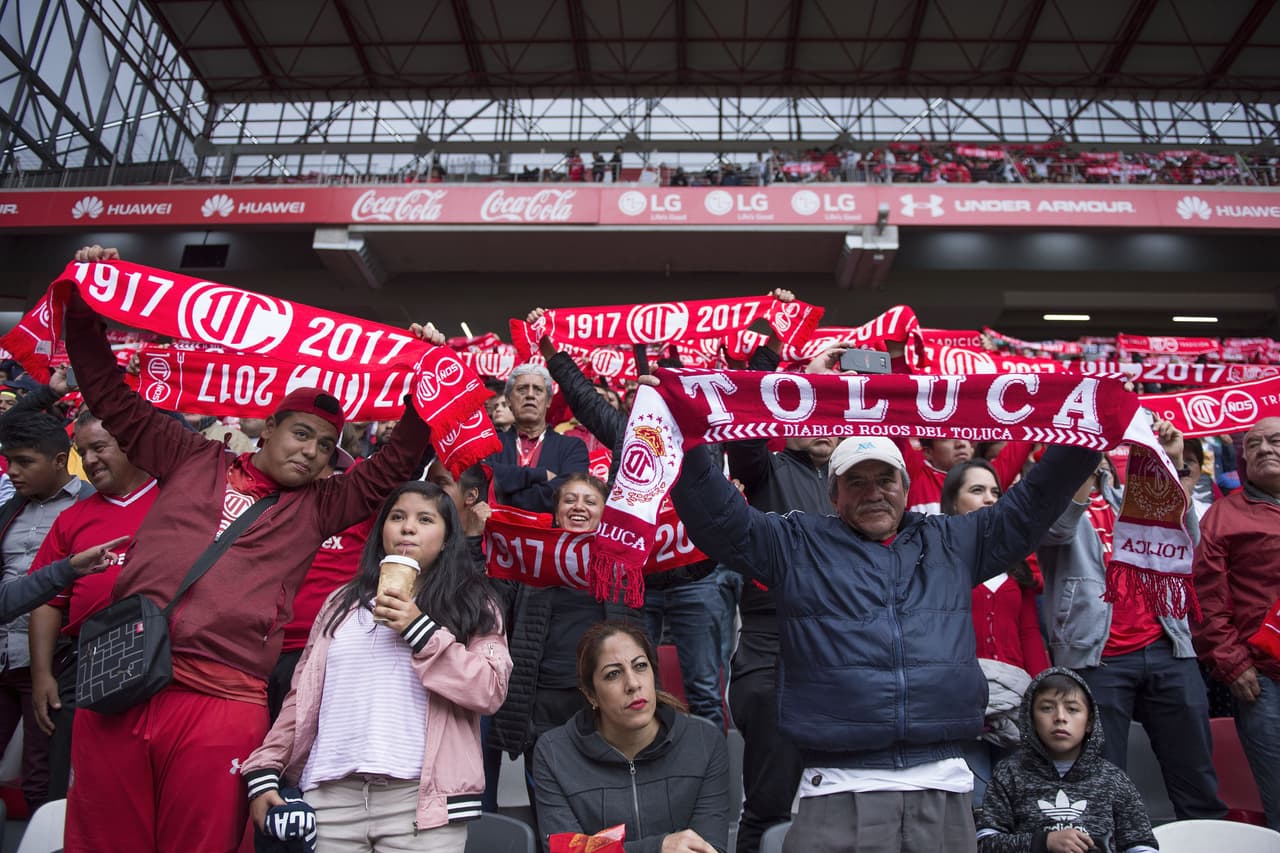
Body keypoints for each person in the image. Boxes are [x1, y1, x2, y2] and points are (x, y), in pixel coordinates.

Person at [61, 244, 442, 852]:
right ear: (268, 427)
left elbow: (392, 465)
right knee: (107, 840)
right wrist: (86, 311)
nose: (311, 452)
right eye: (301, 434)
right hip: (124, 671)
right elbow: (111, 397)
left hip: (224, 693)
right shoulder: (190, 456)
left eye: (326, 446)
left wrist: (427, 383)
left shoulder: (321, 505)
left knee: (203, 843)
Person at [668, 425, 1101, 853]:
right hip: (838, 788)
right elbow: (716, 515)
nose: (873, 492)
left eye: (885, 479)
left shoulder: (953, 541)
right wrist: (674, 431)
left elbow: (1035, 500)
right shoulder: (796, 544)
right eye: (856, 482)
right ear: (833, 496)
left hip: (944, 789)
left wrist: (1090, 427)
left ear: (905, 488)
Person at [243, 481, 511, 852]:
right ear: (381, 530)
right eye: (397, 517)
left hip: (420, 804)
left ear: (448, 538)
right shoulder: (340, 603)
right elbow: (301, 699)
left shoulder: (475, 603)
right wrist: (266, 768)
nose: (408, 528)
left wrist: (419, 629)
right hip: (330, 797)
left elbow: (490, 689)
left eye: (425, 519)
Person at [1037, 422, 1226, 822]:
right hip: (1096, 659)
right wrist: (1079, 465)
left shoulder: (1132, 496)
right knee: (1097, 787)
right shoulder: (1052, 498)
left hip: (1168, 647)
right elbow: (1056, 531)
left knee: (1197, 779)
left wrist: (1169, 463)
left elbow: (1187, 543)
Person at [722, 334, 837, 853]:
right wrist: (774, 356)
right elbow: (744, 423)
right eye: (812, 415)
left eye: (833, 418)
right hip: (772, 654)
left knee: (837, 803)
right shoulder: (764, 468)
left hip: (837, 652)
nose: (825, 428)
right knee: (768, 803)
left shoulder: (851, 488)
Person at [489, 473, 644, 825]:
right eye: (569, 500)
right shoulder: (528, 559)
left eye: (590, 501)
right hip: (543, 704)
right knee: (550, 813)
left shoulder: (626, 561)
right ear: (556, 513)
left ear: (605, 514)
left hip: (606, 702)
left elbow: (684, 567)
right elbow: (491, 597)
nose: (579, 507)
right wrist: (474, 536)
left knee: (606, 813)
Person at [27, 407, 159, 800]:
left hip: (159, 661)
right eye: (81, 452)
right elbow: (46, 602)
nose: (89, 460)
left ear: (129, 442)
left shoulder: (175, 501)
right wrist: (42, 676)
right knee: (69, 788)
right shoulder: (73, 518)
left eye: (98, 447)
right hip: (85, 663)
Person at [532, 621, 729, 853]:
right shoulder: (555, 753)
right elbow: (566, 850)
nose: (633, 684)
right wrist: (657, 848)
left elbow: (709, 848)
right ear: (591, 694)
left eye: (641, 666)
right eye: (613, 674)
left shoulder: (704, 742)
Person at [940, 459, 1050, 810]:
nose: (990, 498)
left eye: (995, 492)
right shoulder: (938, 563)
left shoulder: (1017, 559)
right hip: (964, 703)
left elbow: (1029, 633)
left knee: (1018, 806)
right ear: (953, 502)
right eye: (977, 490)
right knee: (977, 806)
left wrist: (1044, 692)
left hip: (1016, 703)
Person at [0, 409, 95, 812]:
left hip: (53, 662)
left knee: (43, 776)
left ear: (59, 461)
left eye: (24, 462)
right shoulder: (8, 509)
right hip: (4, 655)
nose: (12, 472)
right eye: (9, 461)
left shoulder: (92, 505)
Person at [1193, 416, 1280, 829]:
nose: (1263, 449)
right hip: (1264, 680)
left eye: (1274, 441)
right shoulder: (1223, 517)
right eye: (1253, 444)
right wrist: (1232, 664)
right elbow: (1205, 599)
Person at [976, 668, 1158, 853]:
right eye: (1047, 708)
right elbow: (984, 844)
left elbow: (1142, 846)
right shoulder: (1009, 774)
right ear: (1030, 719)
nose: (1060, 718)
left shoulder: (1114, 779)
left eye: (1072, 709)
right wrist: (1043, 842)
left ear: (1089, 722)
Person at [483, 363, 588, 514]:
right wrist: (539, 475)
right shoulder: (488, 443)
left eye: (538, 390)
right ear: (509, 400)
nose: (530, 395)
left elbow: (567, 493)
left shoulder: (572, 447)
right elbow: (480, 479)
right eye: (522, 389)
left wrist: (503, 498)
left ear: (548, 401)